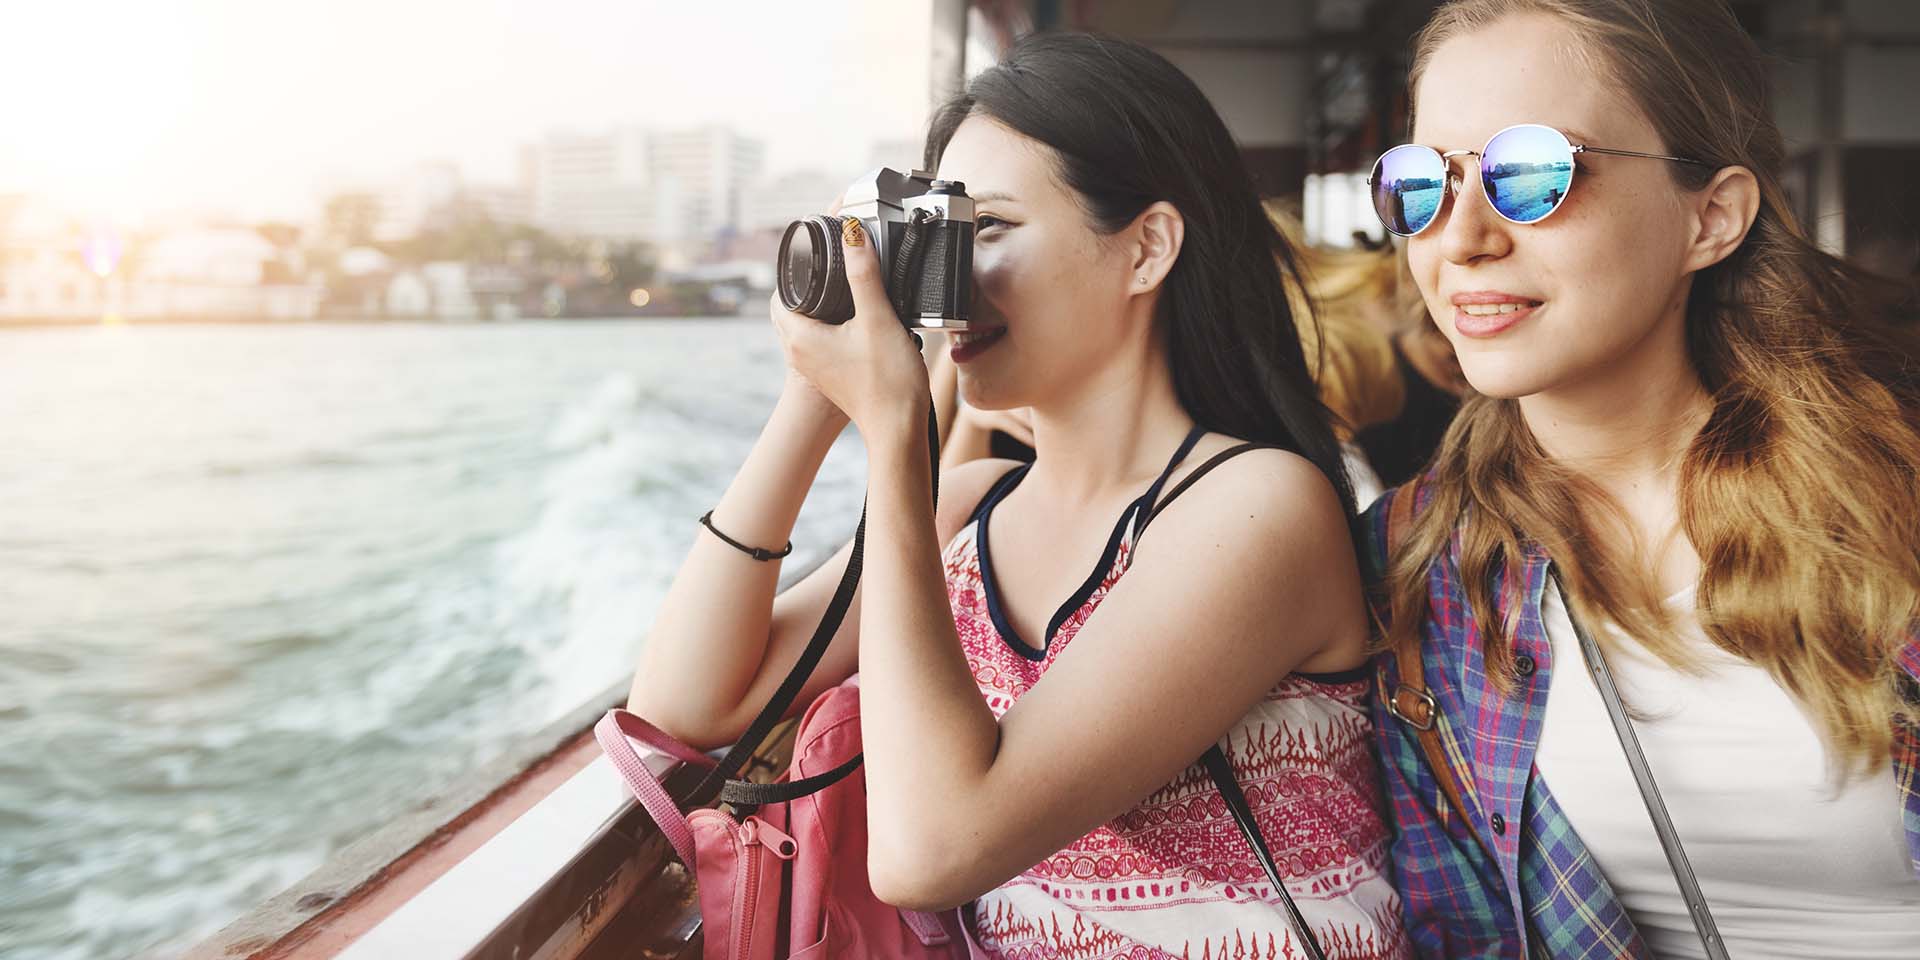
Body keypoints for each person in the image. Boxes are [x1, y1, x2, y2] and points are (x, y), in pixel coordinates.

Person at [628, 31, 1409, 958]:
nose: (950, 284)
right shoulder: (969, 509)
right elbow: (685, 705)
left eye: (985, 229)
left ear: (1147, 248)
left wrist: (894, 426)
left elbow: (933, 851)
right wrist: (816, 390)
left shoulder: (1256, 510)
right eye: (938, 239)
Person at [1361, 2, 1920, 958]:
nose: (1459, 240)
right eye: (1421, 184)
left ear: (1712, 216)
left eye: (1528, 173)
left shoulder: (1893, 503)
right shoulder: (1416, 569)